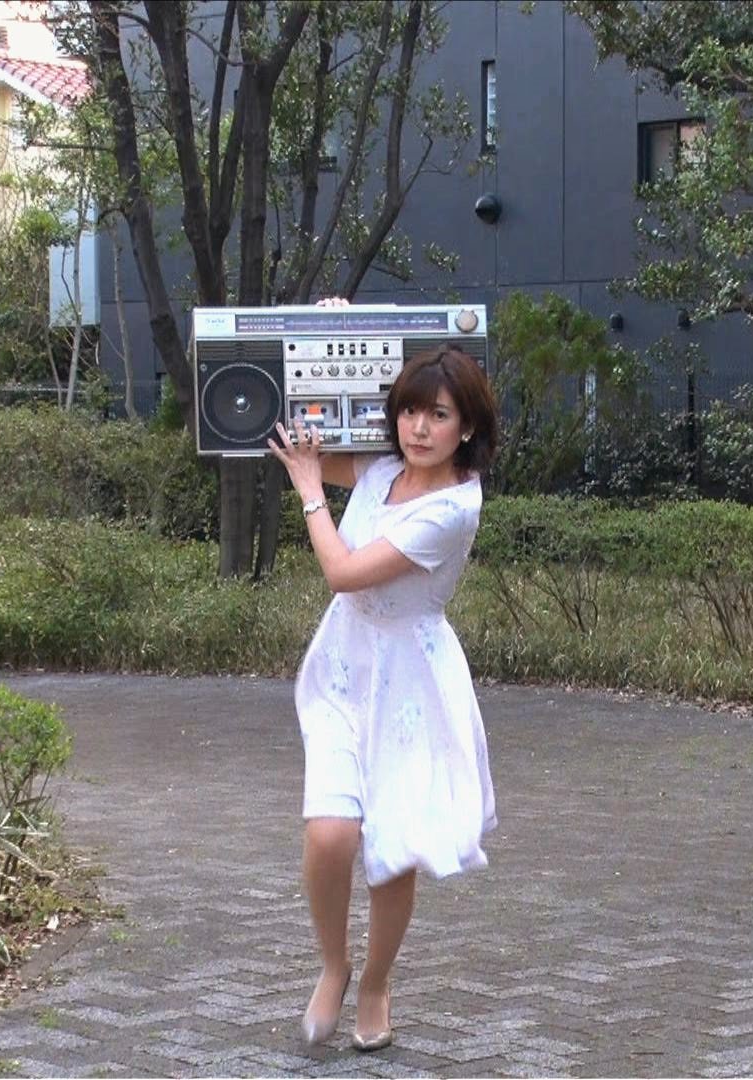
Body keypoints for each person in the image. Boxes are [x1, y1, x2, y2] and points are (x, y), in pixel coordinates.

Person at [267, 300, 499, 1052]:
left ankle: (375, 982)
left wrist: (311, 490)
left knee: (392, 851)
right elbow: (300, 436)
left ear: (467, 426)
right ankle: (333, 966)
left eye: (438, 415)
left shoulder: (455, 507)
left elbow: (342, 571)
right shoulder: (380, 468)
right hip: (344, 668)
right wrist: (330, 328)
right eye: (408, 412)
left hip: (411, 682)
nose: (418, 428)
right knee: (330, 833)